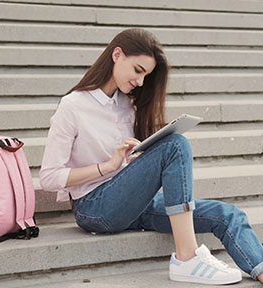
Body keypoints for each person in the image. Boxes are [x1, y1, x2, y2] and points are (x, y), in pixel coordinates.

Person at [39, 28, 263, 285]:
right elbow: (48, 177)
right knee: (175, 145)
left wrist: (135, 160)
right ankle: (187, 258)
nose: (141, 81)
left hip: (133, 203)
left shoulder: (128, 105)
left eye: (146, 75)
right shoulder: (73, 105)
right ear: (117, 54)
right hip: (93, 207)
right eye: (138, 70)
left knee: (227, 214)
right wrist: (108, 165)